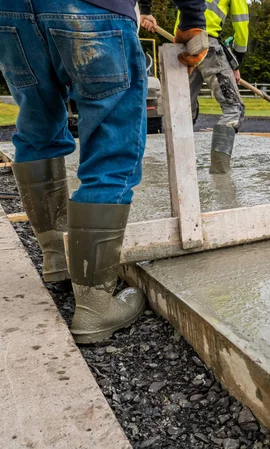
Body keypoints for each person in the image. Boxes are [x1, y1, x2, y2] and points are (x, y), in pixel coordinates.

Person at [0, 0, 206, 344]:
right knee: (113, 144)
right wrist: (193, 19)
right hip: (93, 9)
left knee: (36, 129)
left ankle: (58, 258)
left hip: (10, 11)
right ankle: (95, 306)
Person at [140, 0, 249, 173]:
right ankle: (220, 175)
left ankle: (181, 170)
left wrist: (145, 10)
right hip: (208, 45)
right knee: (234, 109)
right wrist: (237, 61)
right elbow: (241, 25)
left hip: (182, 44)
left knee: (183, 110)